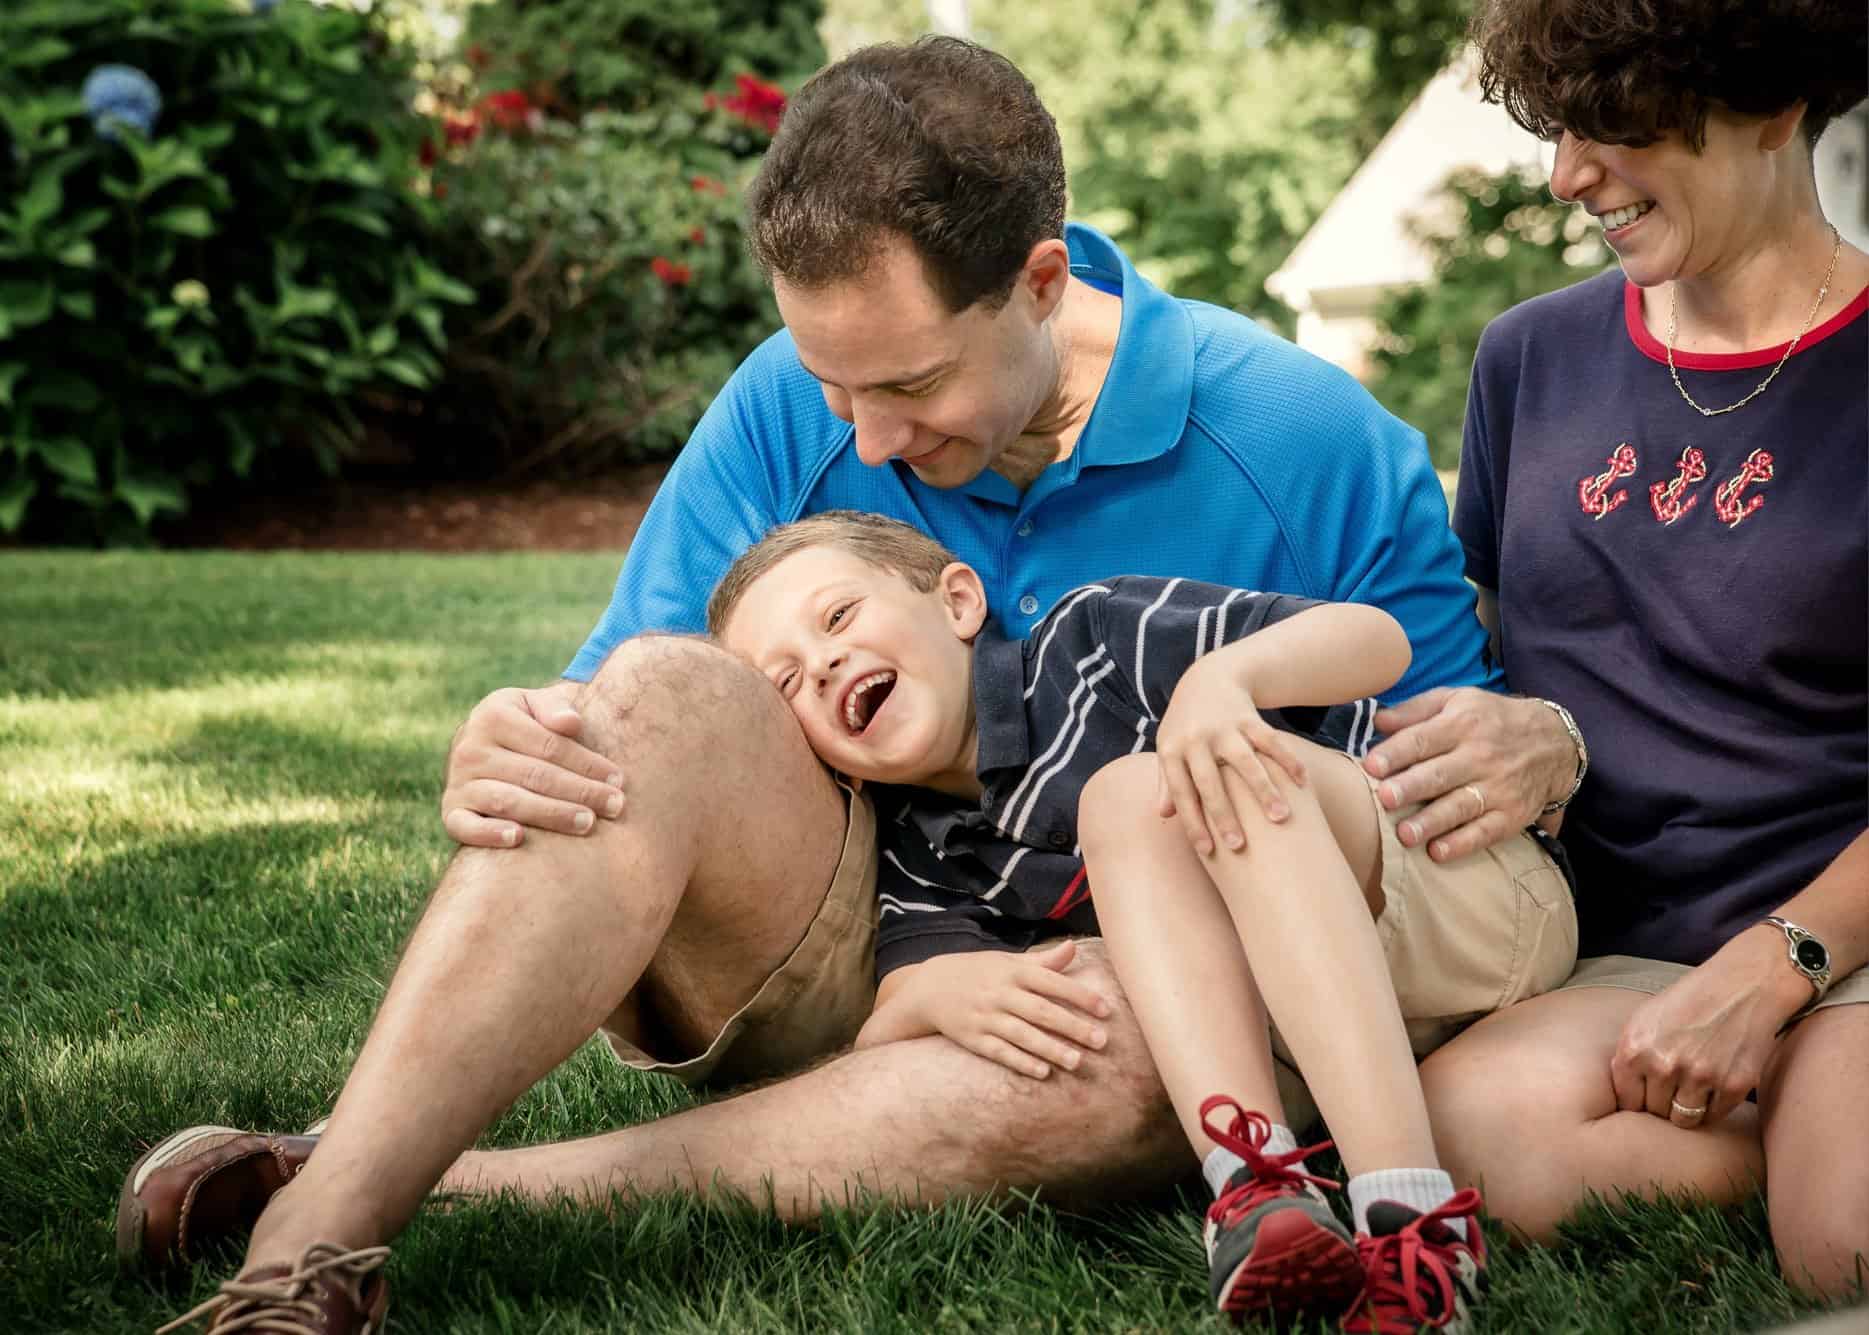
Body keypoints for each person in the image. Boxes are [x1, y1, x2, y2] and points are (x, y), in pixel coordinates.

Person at [121, 37, 1503, 1333]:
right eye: (832, 381)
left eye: (909, 383)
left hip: (1126, 1000)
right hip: (875, 917)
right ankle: (317, 1228)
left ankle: (458, 1176)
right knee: (663, 691)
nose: (866, 435)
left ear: (1036, 283)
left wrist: (1533, 737)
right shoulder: (797, 393)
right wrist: (521, 730)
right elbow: (628, 714)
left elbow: (1437, 781)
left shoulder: (1303, 439)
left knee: (1131, 1030)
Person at [705, 510, 1579, 1330]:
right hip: (1347, 1021)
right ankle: (1264, 1192)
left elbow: (1375, 641)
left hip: (1455, 887)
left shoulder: (1092, 639)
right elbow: (888, 1013)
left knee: (1131, 793)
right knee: (1127, 810)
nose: (819, 665)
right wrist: (934, 982)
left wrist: (1220, 681)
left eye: (839, 616)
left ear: (958, 600)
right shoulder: (918, 844)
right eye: (784, 682)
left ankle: (1411, 1220)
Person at [1348, 0, 1868, 1302]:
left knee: (1842, 1243)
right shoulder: (1533, 357)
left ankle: (1816, 1100)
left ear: (1772, 100)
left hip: (1839, 921)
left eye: (1616, 124)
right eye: (1556, 126)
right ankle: (1783, 1115)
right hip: (1618, 942)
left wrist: (1785, 964)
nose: (1569, 174)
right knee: (1468, 1126)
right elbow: (1457, 644)